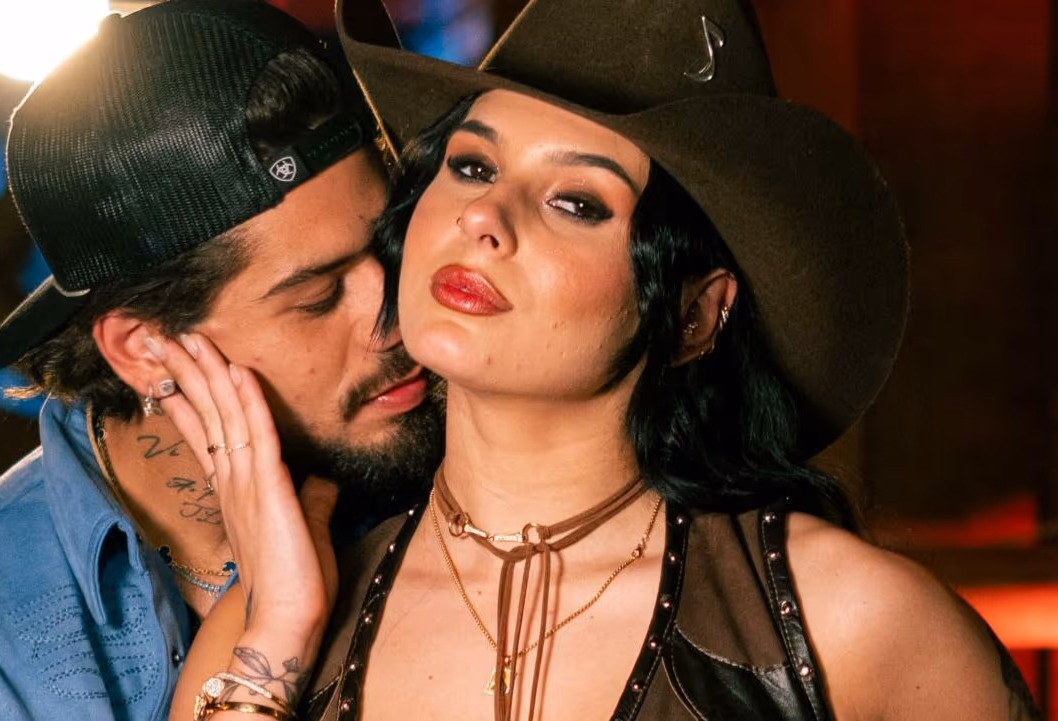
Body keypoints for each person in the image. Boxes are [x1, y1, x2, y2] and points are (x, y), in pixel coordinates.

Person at [149, 0, 1042, 719]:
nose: (483, 218)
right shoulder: (268, 631)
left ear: (694, 313)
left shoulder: (857, 625)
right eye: (470, 166)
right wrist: (273, 647)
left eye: (576, 202)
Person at [0, 1, 443, 718]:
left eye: (391, 251)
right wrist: (276, 631)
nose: (397, 320)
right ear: (145, 350)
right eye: (318, 296)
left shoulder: (467, 489)